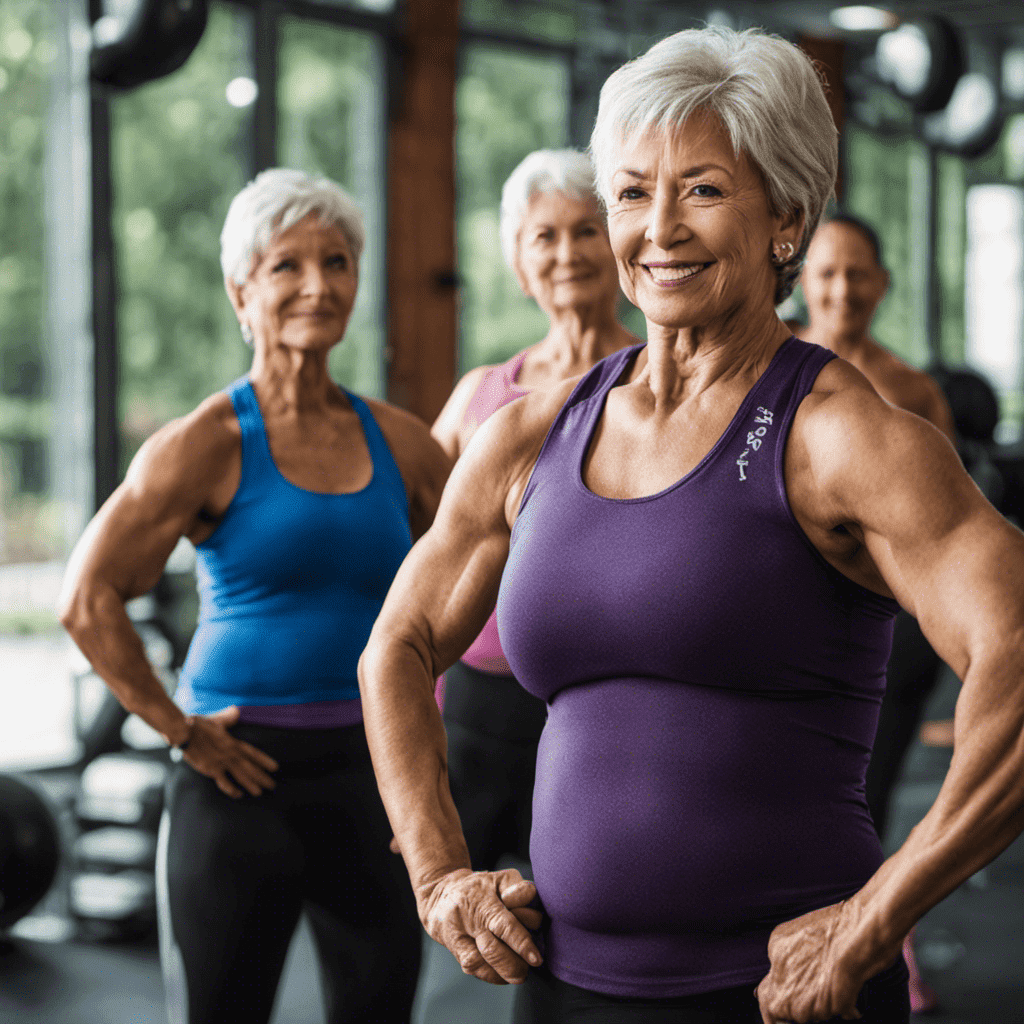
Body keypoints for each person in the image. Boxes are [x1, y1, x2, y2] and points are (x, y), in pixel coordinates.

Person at [357, 26, 1024, 1024]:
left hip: (783, 997)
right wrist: (440, 874)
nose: (657, 227)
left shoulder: (841, 437)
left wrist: (877, 915)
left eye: (702, 190)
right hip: (565, 986)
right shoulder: (529, 435)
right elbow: (396, 647)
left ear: (784, 217)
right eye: (630, 192)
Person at [59, 168, 451, 1024]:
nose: (319, 285)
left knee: (379, 1009)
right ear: (242, 290)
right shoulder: (202, 442)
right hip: (237, 777)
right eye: (287, 266)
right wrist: (178, 729)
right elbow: (88, 598)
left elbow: (474, 576)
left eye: (338, 261)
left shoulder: (403, 443)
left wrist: (425, 726)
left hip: (370, 774)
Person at [416, 148, 639, 1024]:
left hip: (590, 708)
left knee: (576, 932)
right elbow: (421, 566)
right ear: (518, 259)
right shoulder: (480, 397)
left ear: (617, 244)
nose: (567, 252)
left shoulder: (659, 380)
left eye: (587, 229)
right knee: (471, 923)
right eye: (544, 236)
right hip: (478, 703)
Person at [798, 214, 959, 1014]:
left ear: (882, 284)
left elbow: (943, 534)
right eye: (827, 273)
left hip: (890, 634)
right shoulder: (772, 372)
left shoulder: (910, 392)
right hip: (792, 627)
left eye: (857, 274)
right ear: (801, 277)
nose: (841, 290)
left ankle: (883, 934)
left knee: (865, 795)